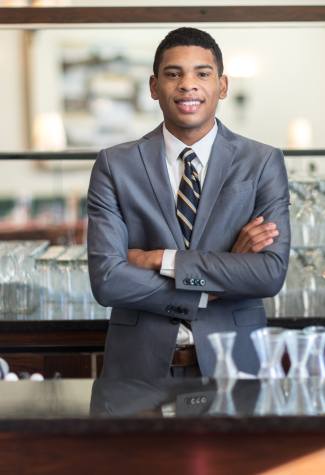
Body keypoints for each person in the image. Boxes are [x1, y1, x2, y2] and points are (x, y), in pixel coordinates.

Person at [88, 27, 290, 379]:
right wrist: (209, 287)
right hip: (138, 367)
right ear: (154, 87)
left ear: (222, 86)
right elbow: (107, 280)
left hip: (236, 362)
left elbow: (269, 274)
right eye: (173, 74)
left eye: (202, 73)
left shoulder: (262, 162)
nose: (187, 84)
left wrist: (161, 260)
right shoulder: (114, 165)